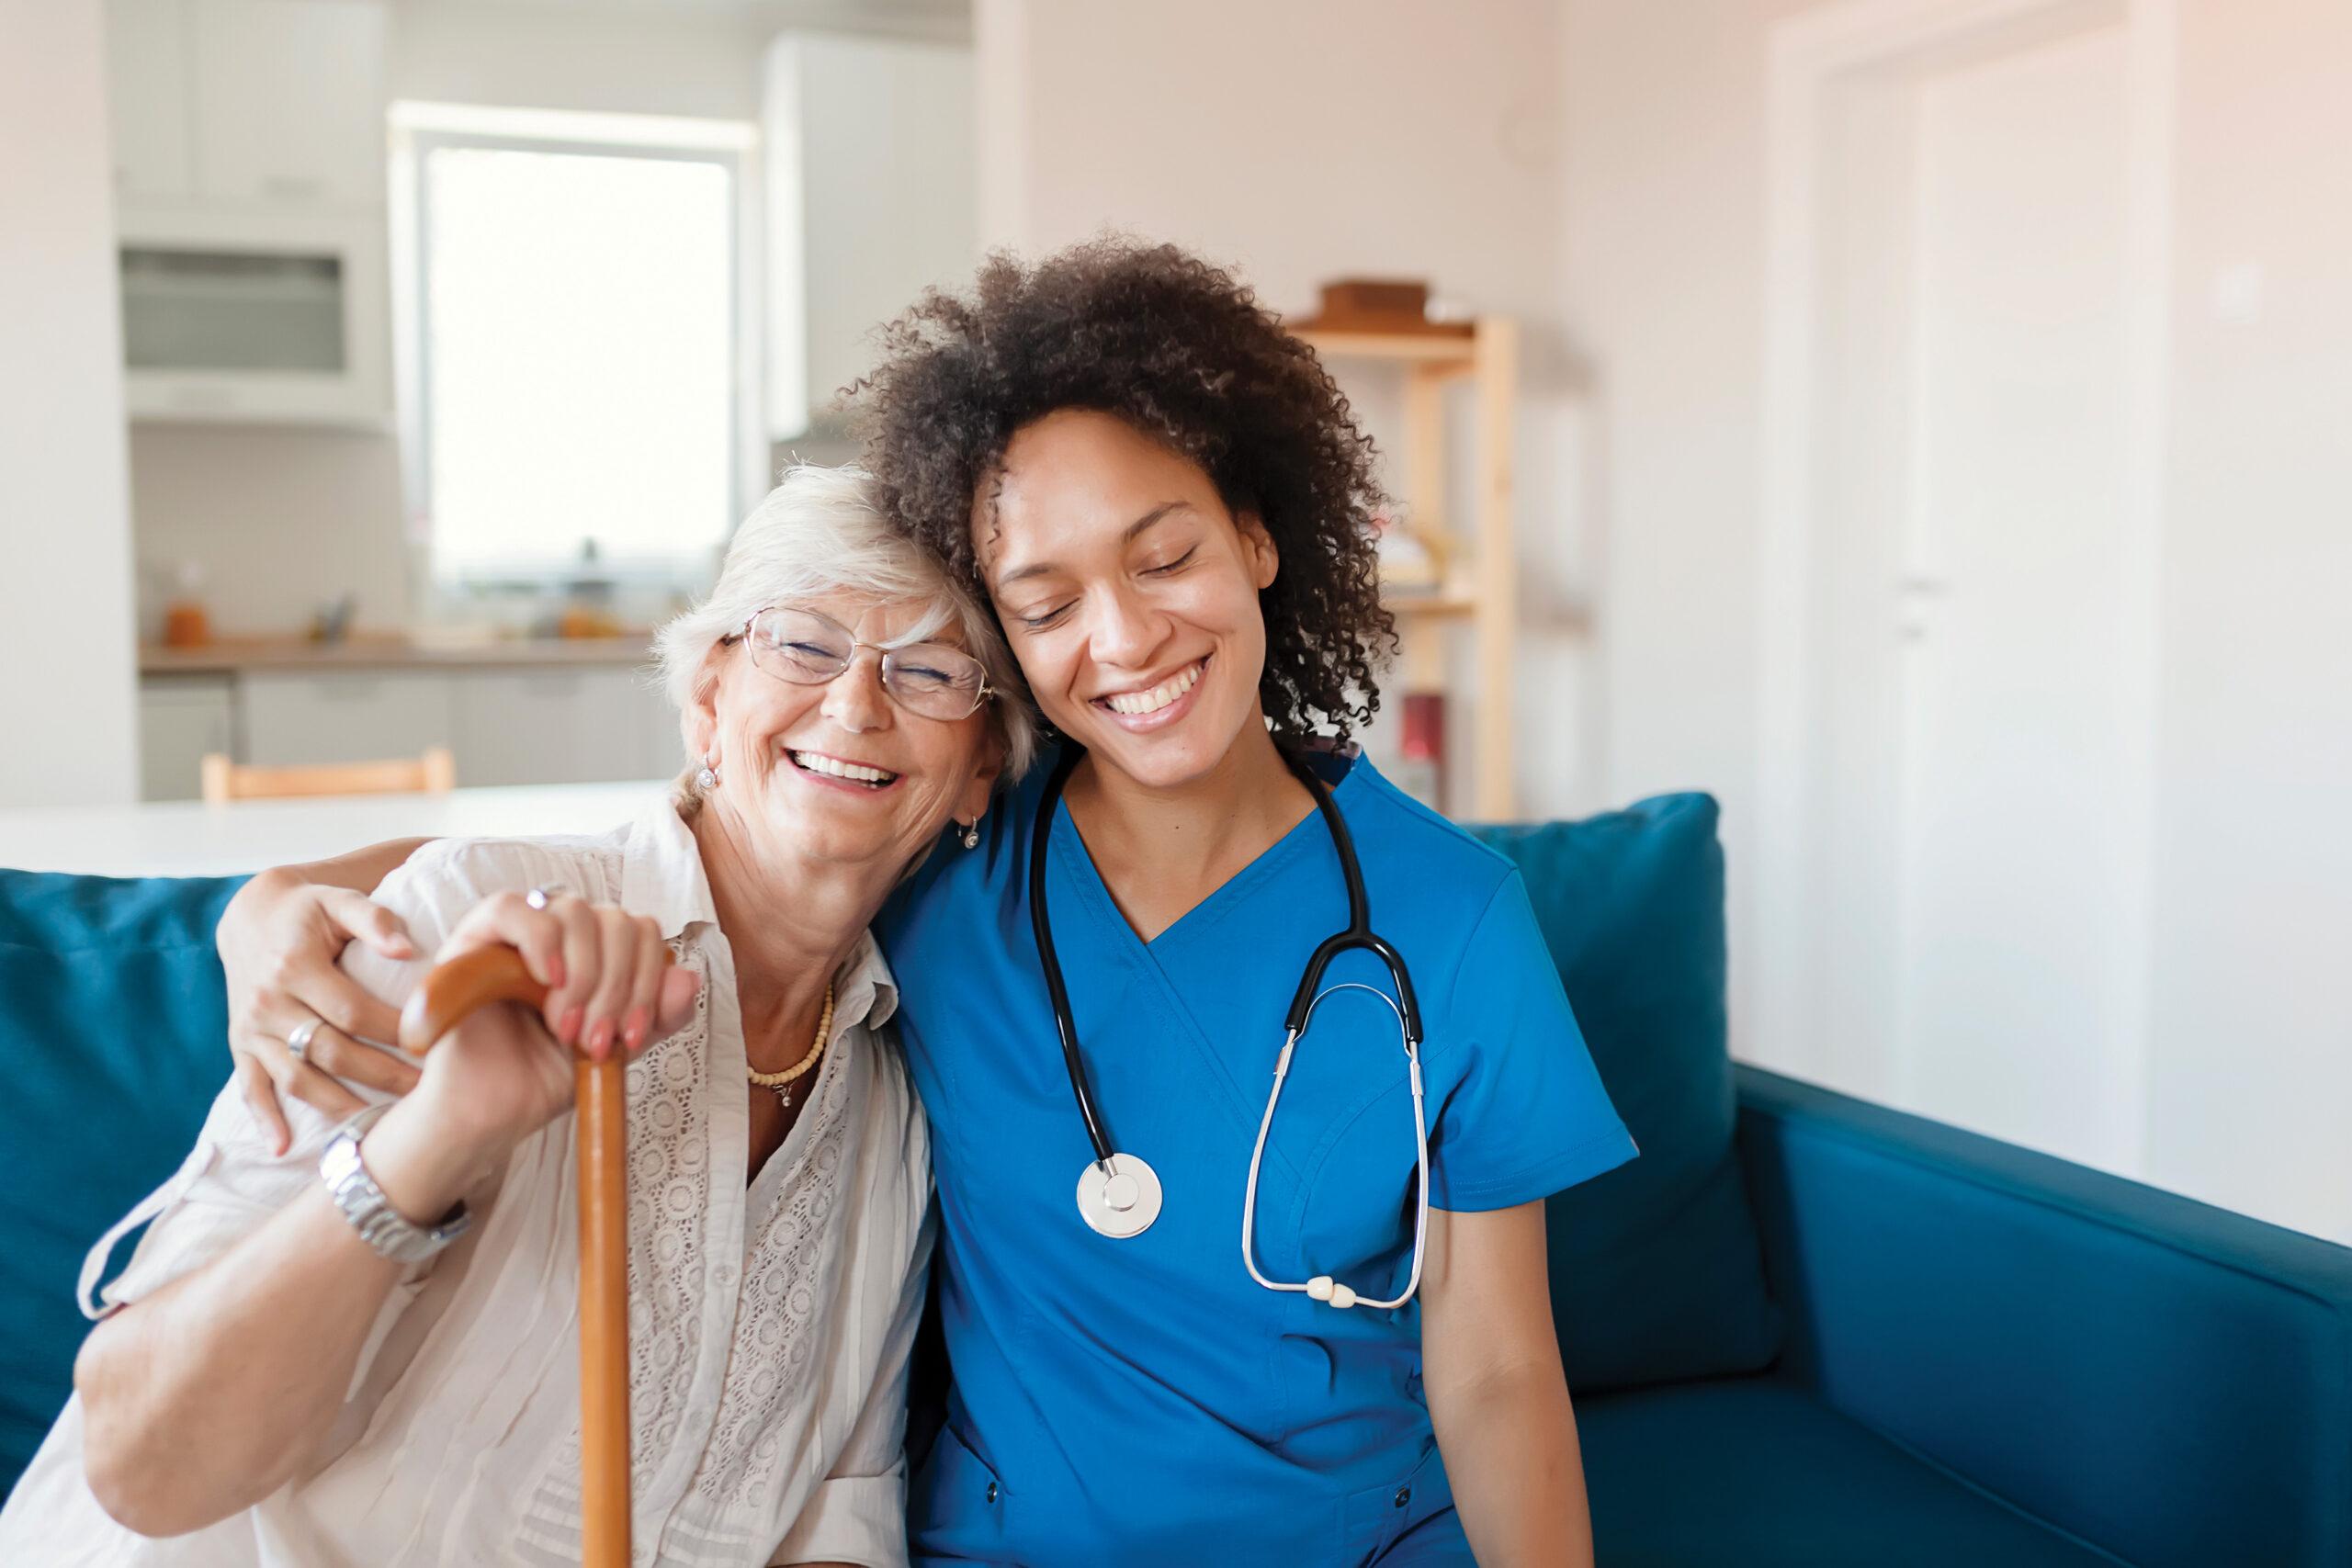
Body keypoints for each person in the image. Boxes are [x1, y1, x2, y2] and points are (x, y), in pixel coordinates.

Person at [206, 239, 1635, 1566]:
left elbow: (1498, 1364)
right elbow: (669, 837)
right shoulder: (951, 858)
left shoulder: (1454, 920)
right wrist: (272, 895)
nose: (1126, 636)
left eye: (1166, 554)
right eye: (1047, 597)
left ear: (1258, 538)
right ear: (1008, 640)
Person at [0, 465, 1035, 1567]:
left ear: (980, 770)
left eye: (928, 671)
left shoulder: (900, 1104)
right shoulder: (461, 920)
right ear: (707, 701)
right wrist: (442, 1129)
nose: (855, 704)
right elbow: (142, 1467)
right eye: (802, 644)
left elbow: (834, 1520)